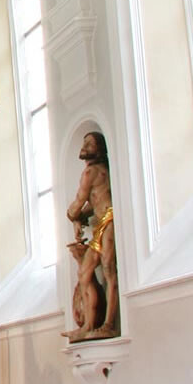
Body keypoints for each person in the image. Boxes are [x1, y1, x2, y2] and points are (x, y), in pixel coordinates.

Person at [64, 131, 119, 341]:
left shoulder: (91, 173)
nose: (84, 146)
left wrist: (72, 216)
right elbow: (93, 202)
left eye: (89, 143)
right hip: (101, 223)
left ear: (99, 149)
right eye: (84, 142)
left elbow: (78, 203)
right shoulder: (96, 172)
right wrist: (80, 217)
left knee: (109, 270)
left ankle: (109, 324)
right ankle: (88, 325)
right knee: (84, 274)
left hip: (109, 220)